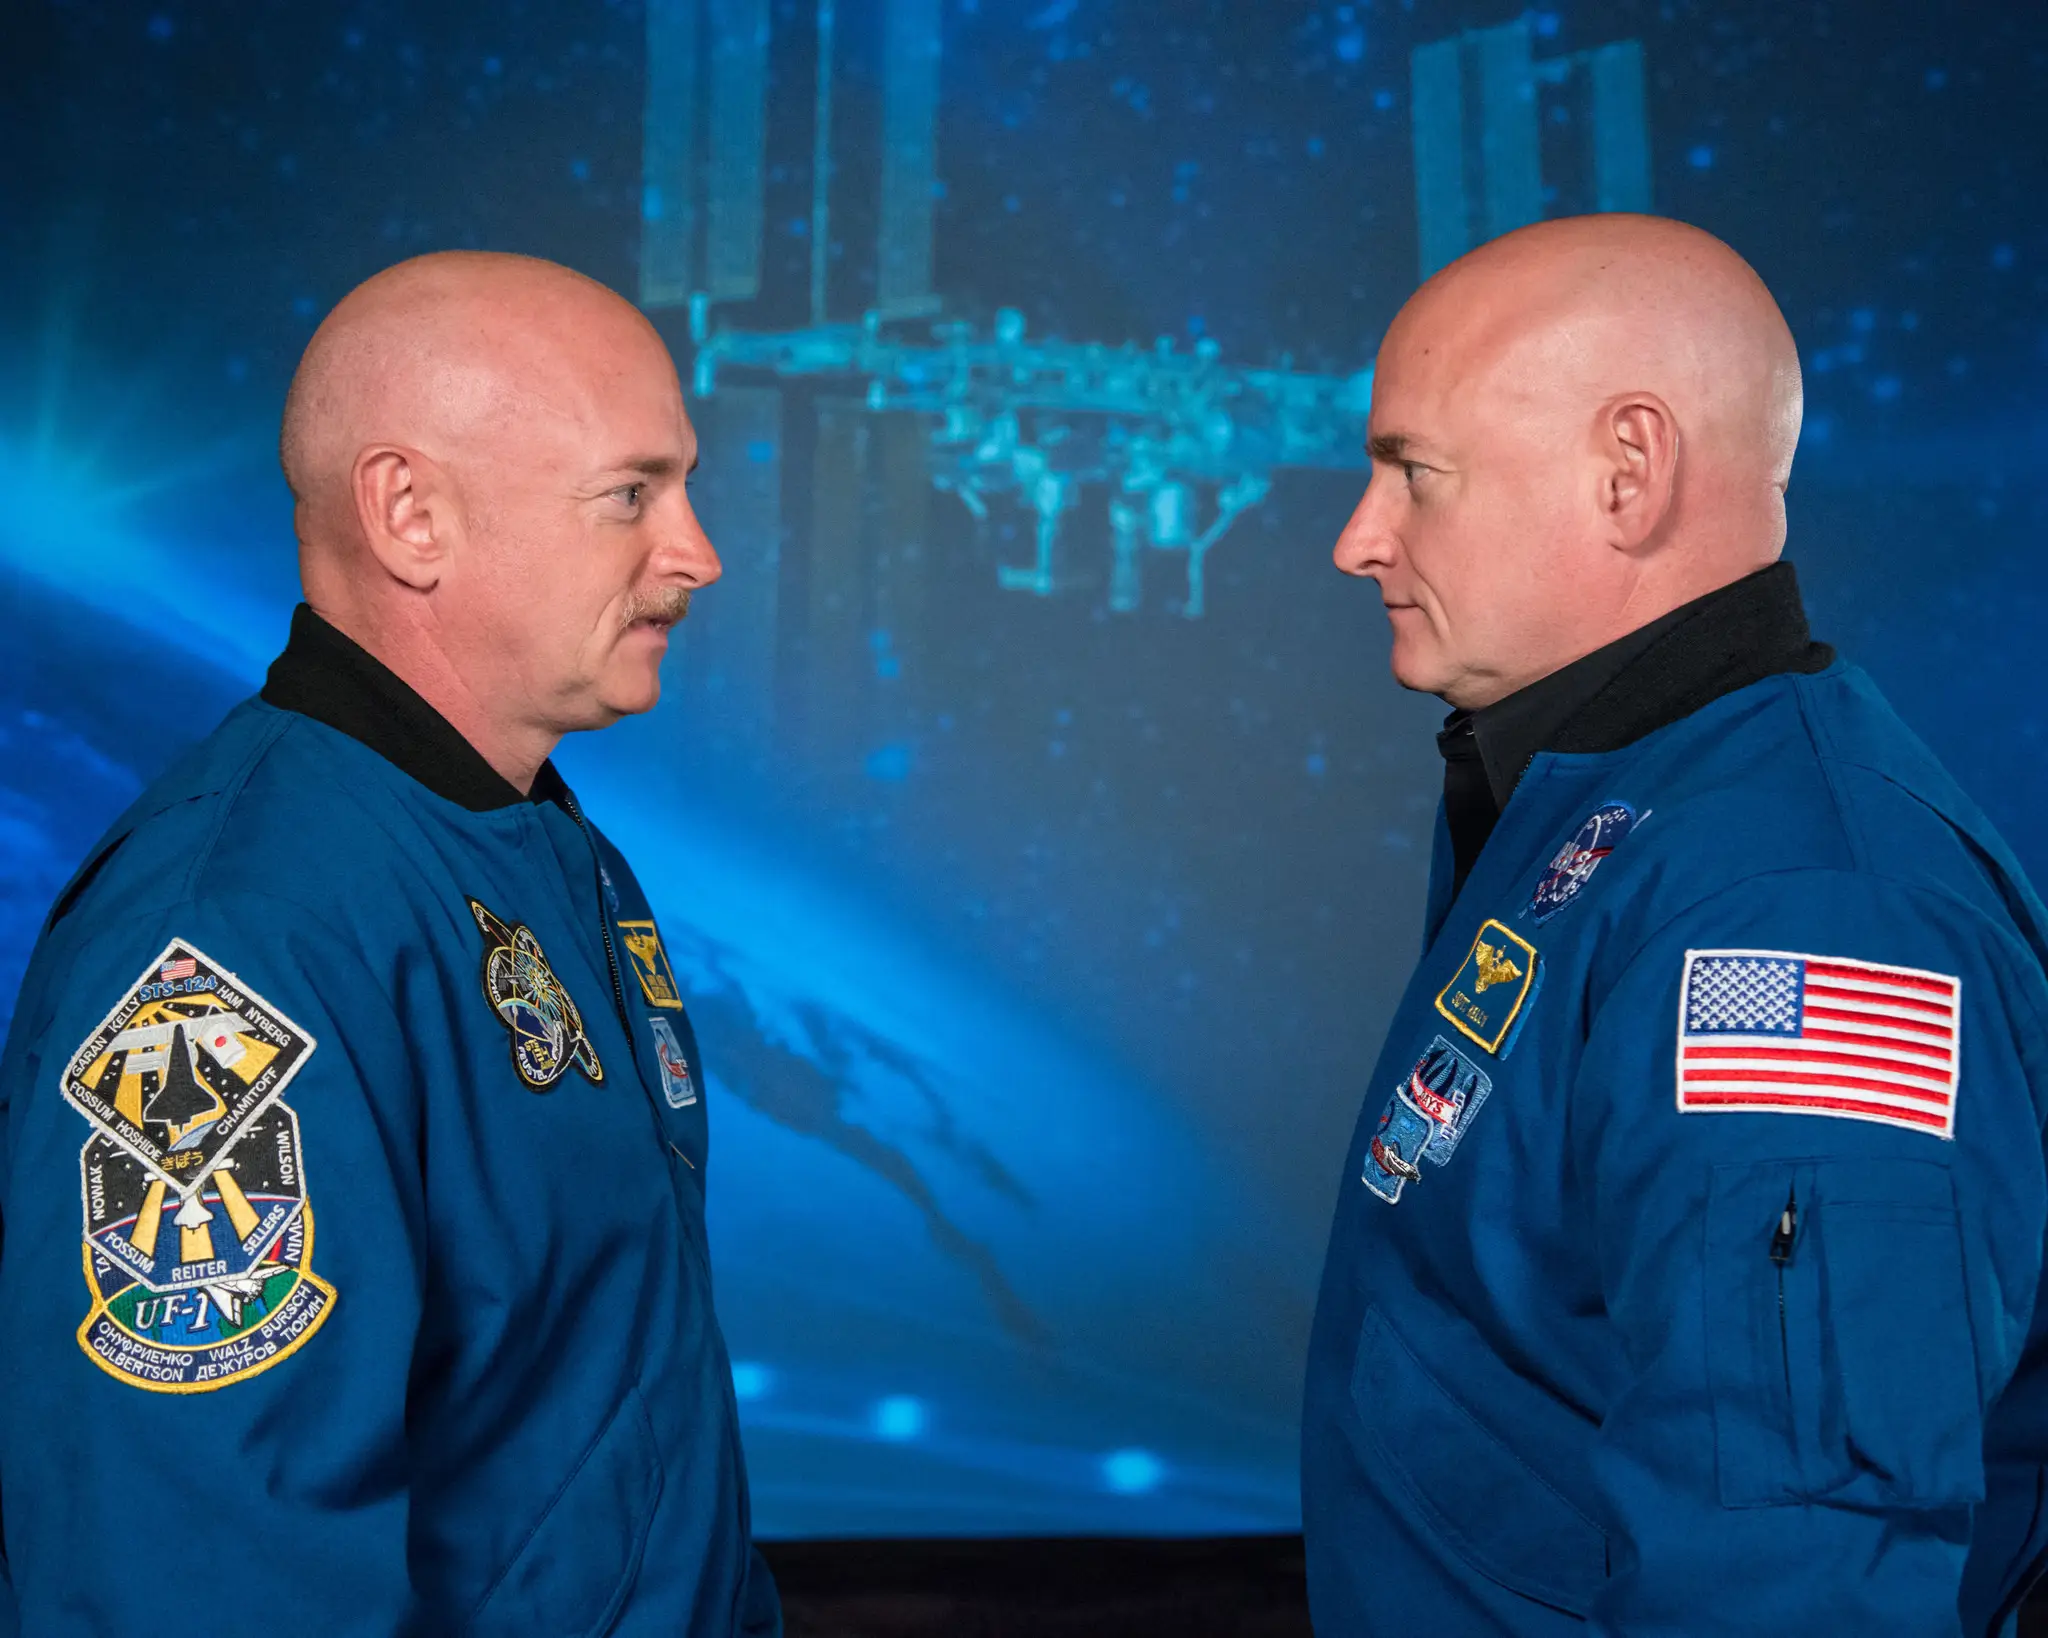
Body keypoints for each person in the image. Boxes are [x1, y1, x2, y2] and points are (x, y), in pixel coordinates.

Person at [0, 252, 782, 1635]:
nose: (697, 551)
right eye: (633, 494)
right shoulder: (237, 943)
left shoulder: (544, 848)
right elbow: (195, 1577)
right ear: (411, 513)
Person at [1301, 213, 2048, 1635]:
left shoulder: (1796, 917)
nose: (1359, 537)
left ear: (1628, 473)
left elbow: (1797, 1567)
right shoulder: (1616, 809)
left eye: (1414, 472)